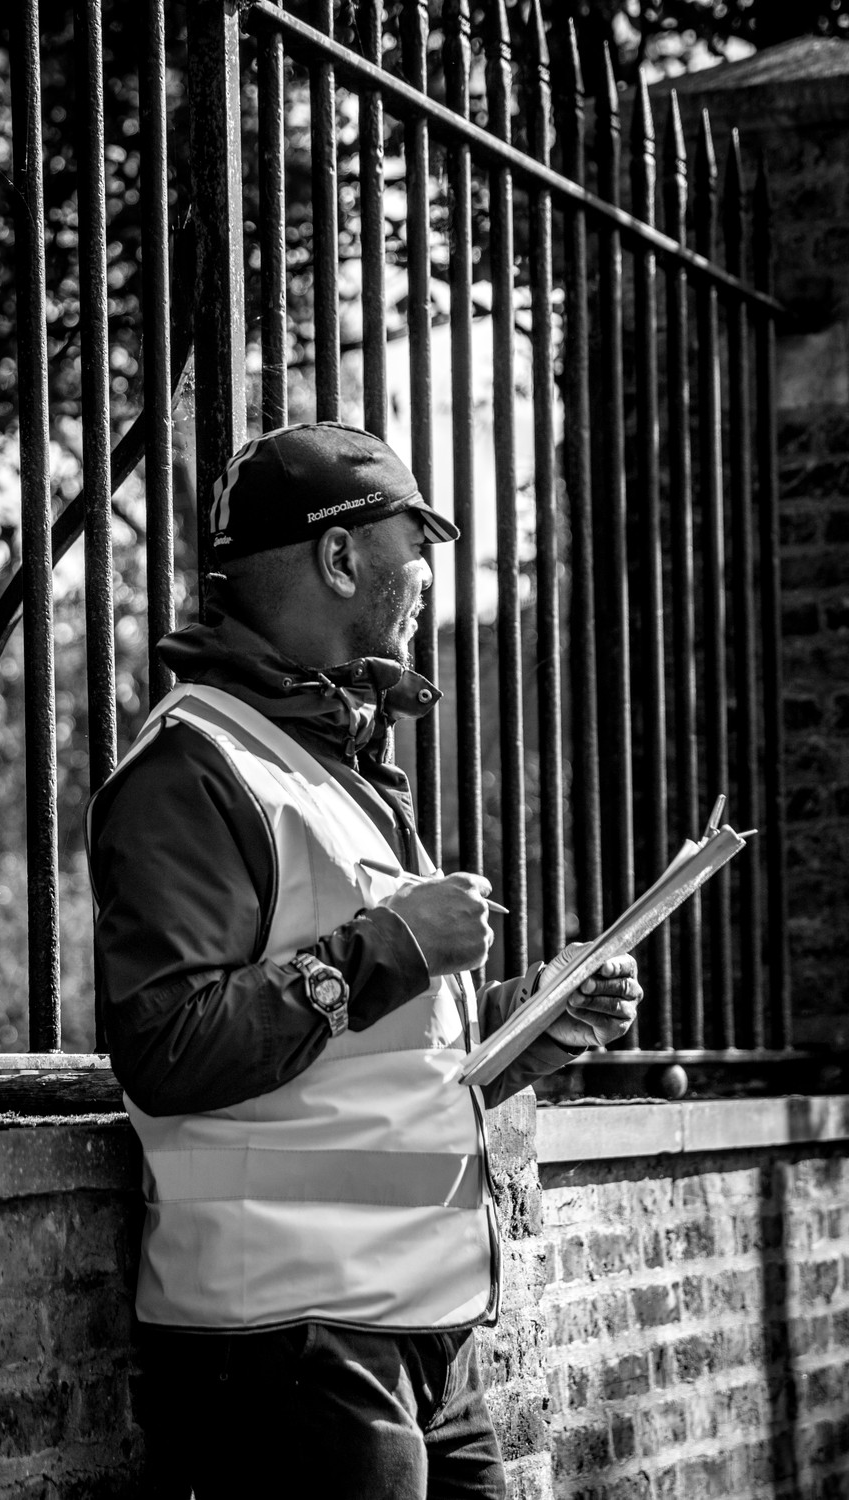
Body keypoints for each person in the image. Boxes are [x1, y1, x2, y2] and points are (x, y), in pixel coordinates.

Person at [85, 422, 642, 1500]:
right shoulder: (193, 765)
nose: (429, 573)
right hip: (289, 1344)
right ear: (340, 557)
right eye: (415, 541)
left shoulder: (332, 762)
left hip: (417, 1338)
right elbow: (165, 1045)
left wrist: (533, 1021)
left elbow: (379, 1065)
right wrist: (394, 942)